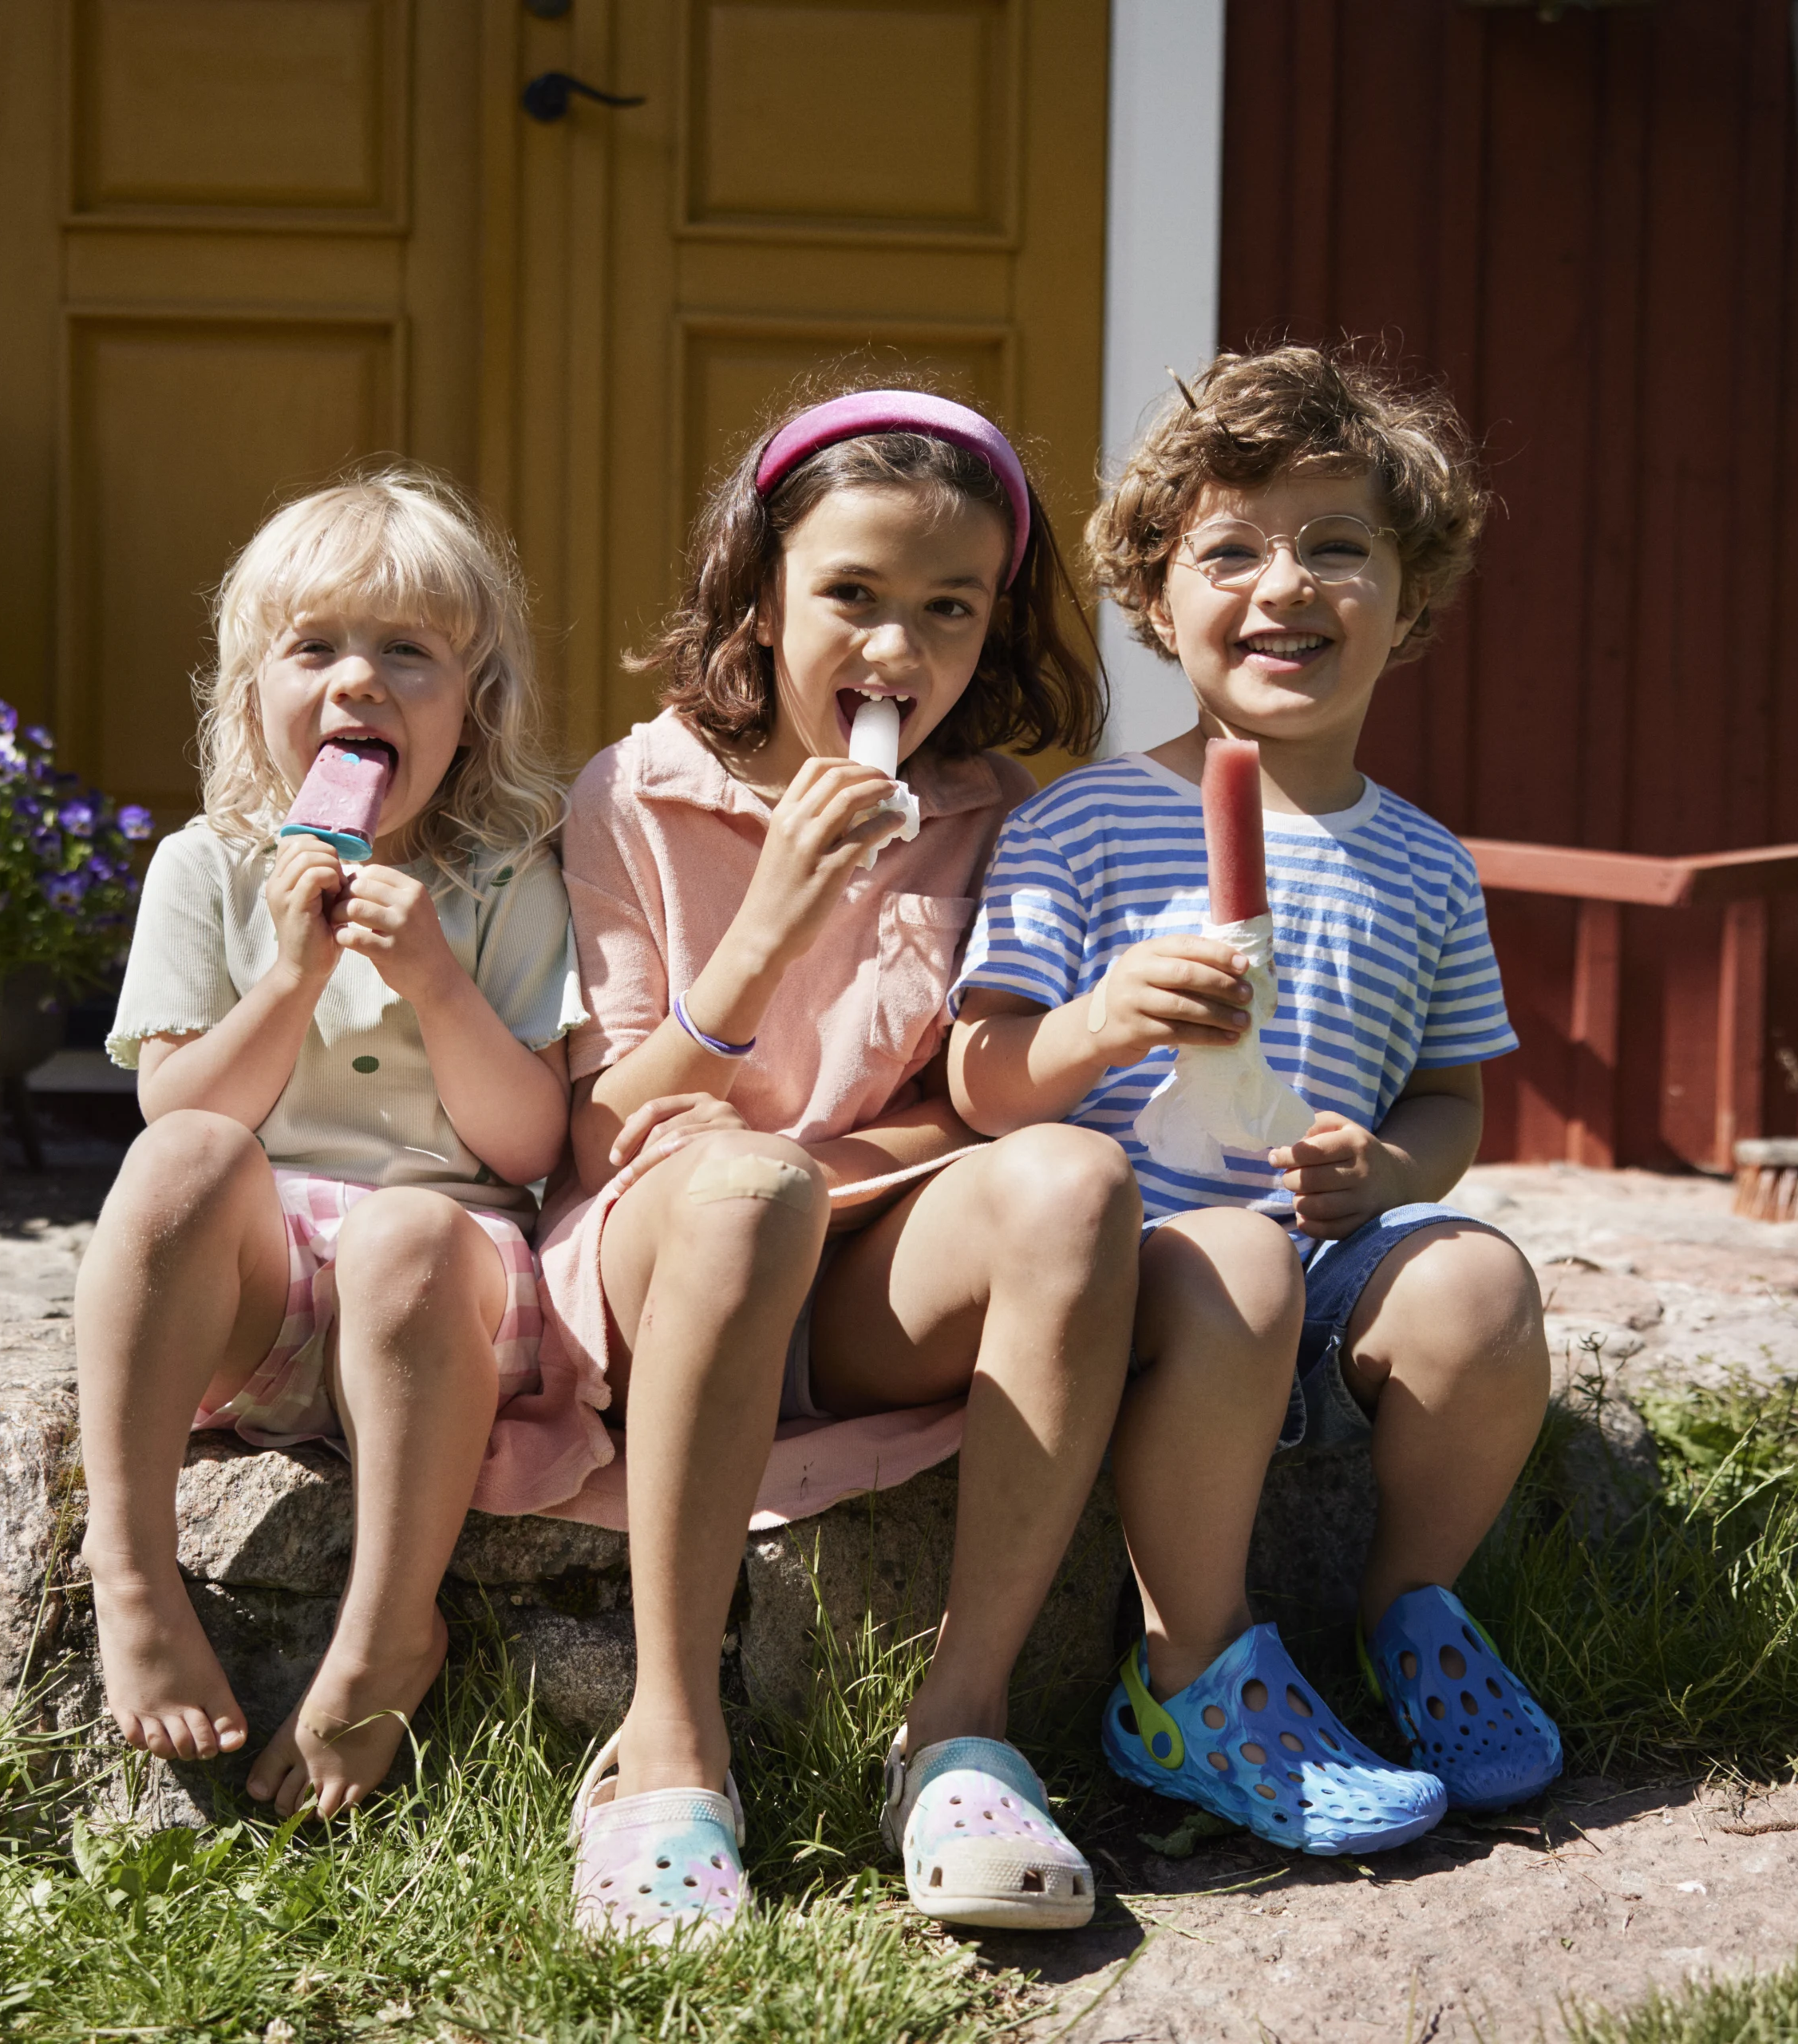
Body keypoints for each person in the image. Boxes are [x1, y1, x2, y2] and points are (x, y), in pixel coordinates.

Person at [541, 388, 1146, 1941]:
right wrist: (768, 931)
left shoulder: (998, 813)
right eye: (853, 597)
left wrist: (853, 1152)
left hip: (862, 1272)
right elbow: (604, 1120)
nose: (899, 649)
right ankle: (669, 1747)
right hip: (668, 1249)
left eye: (948, 610)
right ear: (760, 592)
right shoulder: (636, 792)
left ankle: (960, 1724)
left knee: (1073, 1182)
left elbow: (984, 1105)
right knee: (749, 1185)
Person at [950, 345, 1562, 1854]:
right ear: (1159, 605)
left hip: (1322, 1253)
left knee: (1482, 1285)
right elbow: (982, 1077)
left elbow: (1450, 1102)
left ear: (1409, 605)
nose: (1284, 584)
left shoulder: (1424, 861)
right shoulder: (1086, 820)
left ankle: (1408, 1613)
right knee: (1225, 1256)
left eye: (1337, 548)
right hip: (1149, 1274)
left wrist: (1390, 1173)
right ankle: (1192, 1673)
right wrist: (1100, 1022)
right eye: (1230, 550)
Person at [76, 468, 582, 1821]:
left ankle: (384, 1634)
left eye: (405, 654)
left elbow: (531, 1136)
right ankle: (131, 1572)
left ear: (473, 711)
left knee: (413, 1231)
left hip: (442, 1299)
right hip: (259, 1302)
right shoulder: (207, 865)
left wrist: (437, 983)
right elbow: (176, 1115)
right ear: (255, 697)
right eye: (316, 650)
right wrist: (289, 980)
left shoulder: (506, 876)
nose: (358, 685)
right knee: (175, 1165)